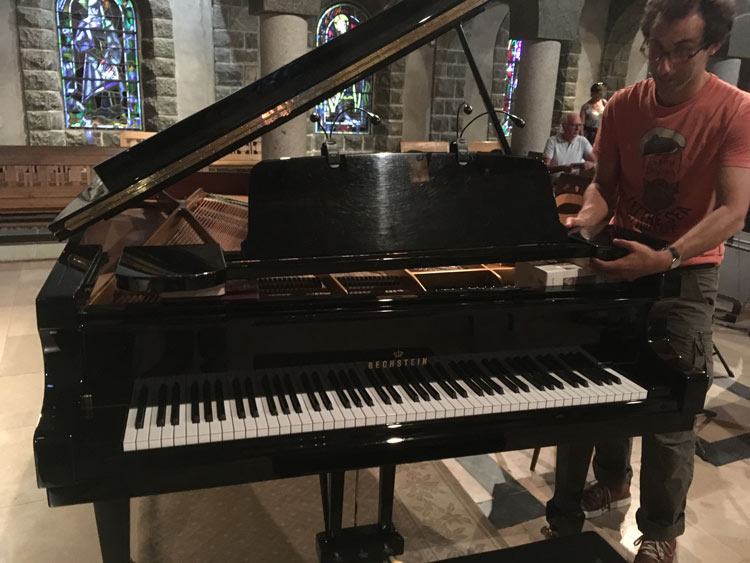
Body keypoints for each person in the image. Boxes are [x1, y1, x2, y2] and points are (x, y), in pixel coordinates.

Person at [544, 1, 750, 562]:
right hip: (621, 258)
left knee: (667, 411)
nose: (662, 65)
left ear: (712, 46)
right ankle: (612, 481)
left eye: (681, 51)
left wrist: (668, 257)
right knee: (602, 388)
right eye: (655, 50)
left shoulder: (735, 110)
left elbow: (733, 210)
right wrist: (588, 215)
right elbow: (604, 186)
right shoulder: (627, 106)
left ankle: (660, 531)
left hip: (687, 272)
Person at [542, 112, 597, 178]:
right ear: (564, 126)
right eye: (574, 125)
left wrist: (590, 164)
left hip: (573, 183)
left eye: (579, 125)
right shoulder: (553, 141)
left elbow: (595, 162)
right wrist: (562, 168)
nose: (577, 129)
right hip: (553, 183)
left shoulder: (582, 141)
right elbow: (544, 168)